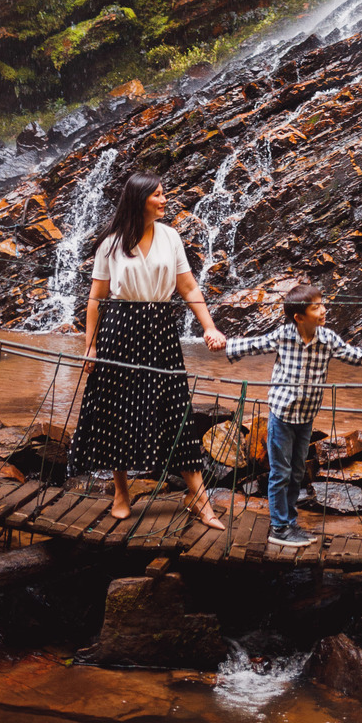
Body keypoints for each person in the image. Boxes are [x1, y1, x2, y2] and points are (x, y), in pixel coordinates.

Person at [67, 172, 226, 525]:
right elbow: (95, 299)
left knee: (175, 409)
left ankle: (198, 498)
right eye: (158, 194)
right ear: (140, 200)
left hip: (161, 330)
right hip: (120, 330)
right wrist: (90, 348)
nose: (164, 199)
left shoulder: (171, 237)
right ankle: (121, 492)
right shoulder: (111, 244)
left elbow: (187, 288)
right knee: (116, 411)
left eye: (163, 193)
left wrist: (209, 327)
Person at [220, 284, 362, 547]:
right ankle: (279, 527)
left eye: (322, 304)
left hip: (305, 418)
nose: (324, 310)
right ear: (299, 317)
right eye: (316, 307)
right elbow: (252, 345)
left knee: (296, 472)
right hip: (281, 416)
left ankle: (290, 523)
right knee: (280, 472)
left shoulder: (327, 340)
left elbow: (358, 356)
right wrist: (224, 345)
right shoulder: (283, 336)